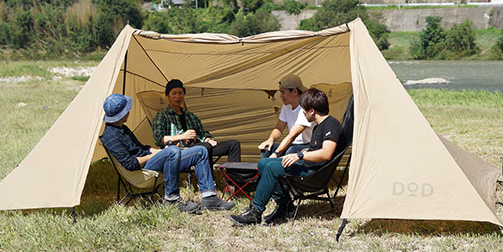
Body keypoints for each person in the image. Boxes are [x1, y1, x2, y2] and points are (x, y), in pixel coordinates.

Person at [100, 93, 234, 213]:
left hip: (152, 159)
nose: (129, 111)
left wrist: (160, 152)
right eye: (127, 110)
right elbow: (131, 164)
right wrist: (157, 155)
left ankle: (209, 198)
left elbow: (142, 148)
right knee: (173, 150)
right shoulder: (111, 136)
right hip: (142, 170)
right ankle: (172, 199)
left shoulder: (122, 128)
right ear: (122, 114)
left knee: (201, 151)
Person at [231, 88, 342, 226]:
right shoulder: (318, 126)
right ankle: (285, 204)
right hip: (307, 165)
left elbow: (326, 153)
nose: (302, 112)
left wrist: (299, 155)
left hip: (313, 173)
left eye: (305, 109)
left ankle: (255, 212)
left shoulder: (331, 124)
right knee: (264, 163)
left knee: (271, 167)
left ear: (312, 111)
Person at [153, 79, 242, 174]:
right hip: (180, 149)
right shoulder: (162, 116)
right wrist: (182, 136)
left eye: (180, 93)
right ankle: (209, 182)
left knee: (233, 144)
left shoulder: (190, 115)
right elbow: (159, 139)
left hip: (199, 144)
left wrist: (208, 139)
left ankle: (234, 182)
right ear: (167, 96)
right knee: (205, 147)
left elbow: (203, 132)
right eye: (174, 93)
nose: (177, 97)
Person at [257, 74, 312, 159]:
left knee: (290, 151)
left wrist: (276, 153)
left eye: (283, 92)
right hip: (292, 144)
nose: (280, 96)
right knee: (266, 150)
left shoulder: (305, 107)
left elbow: (293, 135)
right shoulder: (286, 106)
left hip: (307, 146)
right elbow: (279, 128)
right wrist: (270, 139)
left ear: (294, 91)